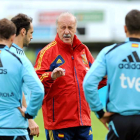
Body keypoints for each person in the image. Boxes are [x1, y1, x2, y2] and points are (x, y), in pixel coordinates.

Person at [34, 12, 106, 140]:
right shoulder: (46, 53)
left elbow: (96, 79)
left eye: (70, 27)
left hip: (83, 122)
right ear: (57, 28)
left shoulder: (83, 51)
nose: (66, 31)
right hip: (59, 124)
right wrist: (51, 76)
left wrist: (107, 74)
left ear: (75, 28)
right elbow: (35, 82)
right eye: (63, 27)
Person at [83, 9, 140, 140]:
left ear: (125, 28)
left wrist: (99, 112)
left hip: (119, 121)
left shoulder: (109, 52)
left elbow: (88, 83)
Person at [0, 18, 44, 140]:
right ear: (13, 37)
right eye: (31, 33)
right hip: (14, 128)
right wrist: (30, 114)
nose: (32, 37)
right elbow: (38, 90)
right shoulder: (18, 59)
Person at [10, 13, 41, 139]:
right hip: (18, 123)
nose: (32, 37)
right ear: (23, 31)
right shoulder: (16, 56)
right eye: (31, 33)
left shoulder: (11, 53)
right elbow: (15, 88)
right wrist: (29, 117)